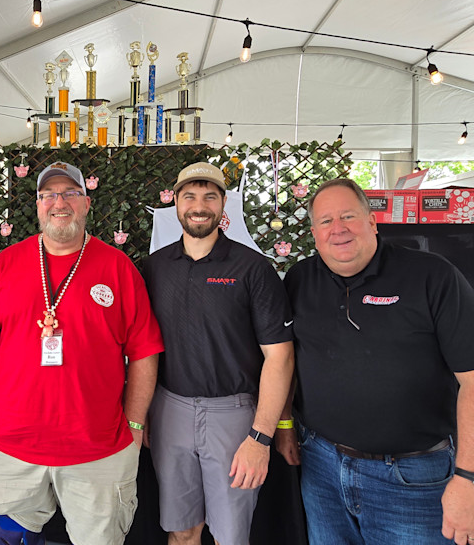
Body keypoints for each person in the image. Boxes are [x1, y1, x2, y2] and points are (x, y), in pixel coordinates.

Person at [0, 161, 164, 545]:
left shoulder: (118, 268)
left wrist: (135, 425)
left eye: (70, 193)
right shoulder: (5, 266)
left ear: (86, 204)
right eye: (49, 194)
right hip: (11, 443)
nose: (60, 202)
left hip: (98, 446)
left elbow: (144, 352)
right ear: (37, 205)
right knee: (12, 535)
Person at [277, 177, 474, 545]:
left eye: (348, 216)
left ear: (372, 221)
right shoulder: (300, 279)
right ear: (314, 232)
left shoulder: (433, 276)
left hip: (413, 477)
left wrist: (468, 478)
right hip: (321, 466)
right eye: (325, 221)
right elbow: (287, 360)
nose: (338, 229)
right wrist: (285, 424)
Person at [142, 161, 294, 545]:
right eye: (189, 196)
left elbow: (280, 358)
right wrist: (140, 414)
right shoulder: (153, 268)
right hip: (168, 411)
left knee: (230, 535)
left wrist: (261, 437)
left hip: (234, 416)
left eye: (210, 196)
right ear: (175, 203)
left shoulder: (253, 268)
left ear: (224, 204)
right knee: (181, 529)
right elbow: (139, 350)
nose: (199, 205)